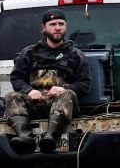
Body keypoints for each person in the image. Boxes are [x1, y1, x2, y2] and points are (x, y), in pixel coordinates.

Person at [6, 10, 91, 153]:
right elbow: (16, 78)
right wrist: (29, 91)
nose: (57, 27)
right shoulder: (29, 53)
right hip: (36, 103)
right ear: (43, 28)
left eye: (61, 24)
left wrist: (63, 88)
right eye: (52, 24)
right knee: (11, 96)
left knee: (68, 94)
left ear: (66, 26)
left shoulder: (76, 55)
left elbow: (84, 84)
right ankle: (25, 138)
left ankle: (51, 138)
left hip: (64, 107)